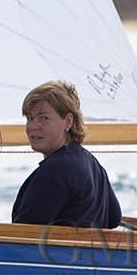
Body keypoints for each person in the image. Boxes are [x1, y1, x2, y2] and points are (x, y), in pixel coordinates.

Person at [11, 80, 122, 229]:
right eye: (30, 118)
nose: (33, 126)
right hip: (93, 252)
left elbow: (20, 236)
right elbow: (114, 218)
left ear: (68, 121)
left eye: (43, 118)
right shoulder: (91, 162)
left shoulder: (54, 172)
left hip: (59, 253)